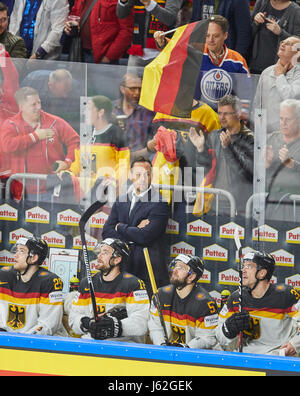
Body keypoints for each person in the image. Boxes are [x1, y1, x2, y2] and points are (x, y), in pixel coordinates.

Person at [155, 15, 252, 115]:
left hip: (226, 117)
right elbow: (176, 49)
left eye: (216, 36)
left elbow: (246, 93)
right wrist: (162, 42)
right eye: (207, 35)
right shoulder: (197, 51)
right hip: (199, 116)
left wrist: (243, 117)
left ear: (225, 35)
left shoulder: (237, 60)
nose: (210, 40)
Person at [102, 156, 170, 296]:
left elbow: (145, 236)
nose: (143, 178)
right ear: (131, 176)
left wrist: (120, 227)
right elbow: (106, 232)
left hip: (147, 270)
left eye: (147, 174)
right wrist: (135, 229)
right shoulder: (121, 200)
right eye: (139, 174)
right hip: (122, 267)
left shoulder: (159, 203)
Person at [0, 86, 80, 202]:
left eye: (39, 102)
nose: (38, 107)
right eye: (33, 104)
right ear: (21, 107)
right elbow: (7, 146)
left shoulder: (54, 122)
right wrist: (35, 136)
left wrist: (67, 162)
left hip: (52, 190)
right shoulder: (11, 124)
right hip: (21, 193)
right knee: (23, 220)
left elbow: (75, 142)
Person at [216, 250, 300, 356]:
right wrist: (228, 329)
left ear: (262, 273)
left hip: (276, 359)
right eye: (243, 266)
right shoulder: (236, 298)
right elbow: (219, 337)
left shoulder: (286, 295)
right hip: (245, 359)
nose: (243, 270)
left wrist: (295, 344)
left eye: (249, 266)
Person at [68, 238, 150, 342]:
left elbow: (141, 324)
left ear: (117, 260)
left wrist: (115, 327)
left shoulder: (134, 284)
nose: (99, 256)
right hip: (91, 343)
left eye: (105, 253)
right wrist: (86, 323)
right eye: (100, 252)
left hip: (122, 346)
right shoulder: (87, 283)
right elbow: (73, 318)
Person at [195, 94, 254, 217]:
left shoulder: (250, 139)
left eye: (226, 113)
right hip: (215, 202)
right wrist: (201, 150)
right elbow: (206, 169)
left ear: (238, 114)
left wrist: (228, 148)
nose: (221, 117)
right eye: (219, 113)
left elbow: (247, 174)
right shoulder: (214, 136)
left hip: (239, 205)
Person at [148, 254, 218, 348]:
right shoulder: (160, 295)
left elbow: (208, 338)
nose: (175, 270)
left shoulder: (206, 304)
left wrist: (185, 348)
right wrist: (162, 345)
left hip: (193, 359)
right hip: (166, 354)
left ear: (191, 277)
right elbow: (155, 327)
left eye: (180, 268)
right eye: (175, 266)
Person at [0, 236, 65, 336]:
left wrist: (21, 340)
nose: (15, 256)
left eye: (21, 251)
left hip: (38, 345)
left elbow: (48, 324)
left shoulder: (50, 282)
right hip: (9, 342)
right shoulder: (4, 276)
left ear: (33, 257)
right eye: (16, 251)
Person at [252, 35, 300, 134]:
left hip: (290, 135)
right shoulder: (267, 72)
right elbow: (257, 105)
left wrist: (279, 76)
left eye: (289, 44)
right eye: (283, 42)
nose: (283, 44)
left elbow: (291, 98)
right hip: (264, 134)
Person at [117, 0, 183, 69]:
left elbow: (170, 19)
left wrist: (149, 3)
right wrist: (123, 2)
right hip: (136, 51)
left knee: (158, 80)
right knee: (131, 79)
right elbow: (121, 14)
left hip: (162, 54)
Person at [64, 0, 134, 64]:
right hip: (80, 50)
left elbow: (126, 30)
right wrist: (69, 27)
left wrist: (109, 56)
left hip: (102, 57)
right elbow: (75, 13)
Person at [265, 99, 300, 221]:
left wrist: (293, 164)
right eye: (281, 119)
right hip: (271, 207)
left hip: (296, 209)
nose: (283, 123)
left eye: (288, 119)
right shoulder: (269, 139)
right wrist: (265, 165)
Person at [249, 0, 300, 75]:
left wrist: (280, 32)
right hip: (255, 65)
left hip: (280, 69)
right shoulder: (261, 3)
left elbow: (298, 45)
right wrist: (255, 23)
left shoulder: (296, 11)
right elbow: (247, 34)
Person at [113, 73, 155, 153]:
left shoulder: (149, 113)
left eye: (140, 89)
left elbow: (153, 145)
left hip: (141, 161)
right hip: (114, 159)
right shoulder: (111, 109)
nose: (137, 93)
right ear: (122, 89)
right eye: (132, 89)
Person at [0, 2, 27, 73]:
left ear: (8, 19)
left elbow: (14, 71)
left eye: (3, 20)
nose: (0, 24)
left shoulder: (17, 42)